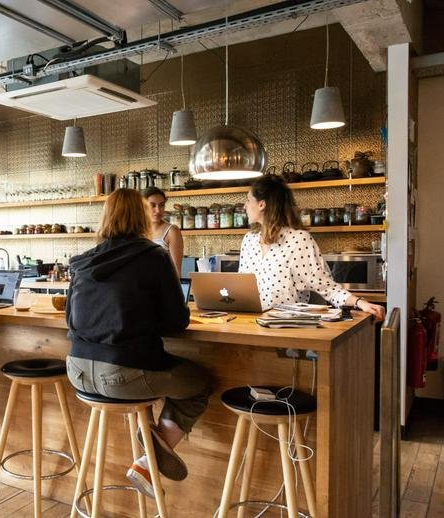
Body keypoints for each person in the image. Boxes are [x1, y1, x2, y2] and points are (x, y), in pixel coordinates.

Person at [65, 188, 212, 498]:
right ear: (142, 215)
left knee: (147, 373)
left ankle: (149, 456)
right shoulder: (153, 256)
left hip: (77, 371)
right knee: (200, 381)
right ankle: (154, 450)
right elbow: (176, 322)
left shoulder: (81, 263)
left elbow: (70, 319)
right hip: (123, 376)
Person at [240, 175, 386, 320]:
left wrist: (359, 302)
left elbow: (326, 286)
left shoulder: (298, 240)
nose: (244, 206)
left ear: (262, 204)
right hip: (248, 323)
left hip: (285, 327)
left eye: (248, 200)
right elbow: (240, 288)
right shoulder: (249, 241)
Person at [142, 186, 184, 277]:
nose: (158, 210)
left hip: (163, 288)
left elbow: (177, 272)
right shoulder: (137, 231)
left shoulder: (172, 231)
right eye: (152, 205)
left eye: (161, 205)